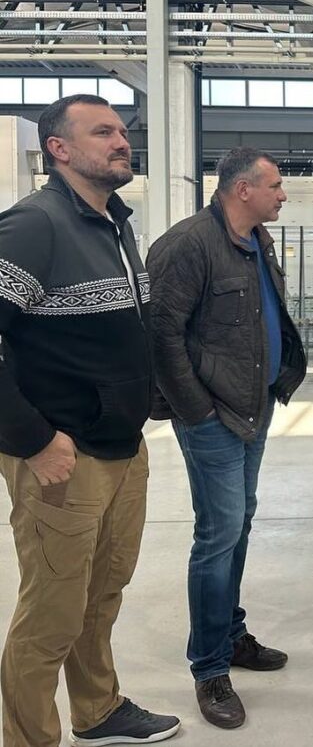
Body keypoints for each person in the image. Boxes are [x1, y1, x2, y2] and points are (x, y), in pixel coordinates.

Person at [0, 94, 179, 746]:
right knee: (51, 615)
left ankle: (97, 710)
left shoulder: (115, 223)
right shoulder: (35, 225)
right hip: (60, 455)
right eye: (102, 132)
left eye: (122, 131)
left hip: (121, 448)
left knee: (102, 594)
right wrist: (33, 439)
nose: (121, 141)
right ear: (59, 148)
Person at [147, 148, 307, 729]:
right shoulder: (188, 244)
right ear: (243, 189)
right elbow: (161, 335)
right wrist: (195, 413)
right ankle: (210, 668)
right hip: (213, 414)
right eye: (276, 185)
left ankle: (231, 635)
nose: (282, 194)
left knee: (238, 524)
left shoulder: (258, 242)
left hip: (253, 407)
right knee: (218, 536)